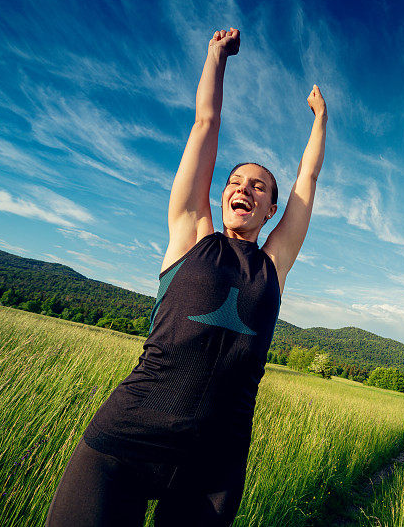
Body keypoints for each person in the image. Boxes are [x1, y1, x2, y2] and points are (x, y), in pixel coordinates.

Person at [45, 27, 327, 527]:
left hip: (213, 463)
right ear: (221, 197)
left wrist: (320, 120)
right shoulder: (191, 233)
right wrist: (216, 57)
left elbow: (307, 180)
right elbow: (205, 125)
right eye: (236, 182)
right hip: (126, 439)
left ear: (270, 209)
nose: (245, 189)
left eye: (258, 187)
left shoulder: (274, 264)